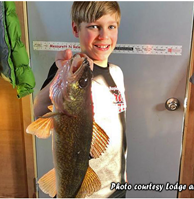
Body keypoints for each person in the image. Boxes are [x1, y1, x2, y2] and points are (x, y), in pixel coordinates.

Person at [33, 2, 127, 198]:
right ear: (76, 28)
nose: (104, 36)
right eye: (94, 26)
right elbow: (40, 111)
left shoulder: (117, 72)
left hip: (115, 185)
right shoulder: (68, 71)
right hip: (82, 191)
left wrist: (122, 172)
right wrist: (61, 72)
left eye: (111, 26)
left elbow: (119, 129)